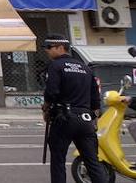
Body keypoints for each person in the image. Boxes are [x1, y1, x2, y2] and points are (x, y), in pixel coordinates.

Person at [42, 34, 107, 183]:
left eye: (49, 48)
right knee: (92, 161)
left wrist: (46, 109)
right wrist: (94, 120)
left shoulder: (55, 66)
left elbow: (51, 92)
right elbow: (95, 99)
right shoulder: (85, 68)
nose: (47, 51)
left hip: (64, 118)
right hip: (85, 119)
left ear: (60, 48)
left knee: (58, 161)